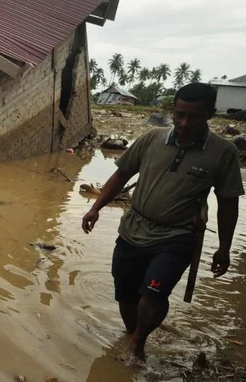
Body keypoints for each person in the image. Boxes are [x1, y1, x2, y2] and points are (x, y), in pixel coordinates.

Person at [82, 83, 243, 362]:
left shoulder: (223, 152)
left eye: (194, 117)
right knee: (125, 294)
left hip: (177, 236)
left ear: (209, 114)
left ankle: (137, 343)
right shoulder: (151, 138)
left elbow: (228, 202)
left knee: (153, 295)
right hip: (133, 229)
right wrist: (96, 207)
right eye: (180, 114)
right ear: (173, 111)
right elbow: (121, 175)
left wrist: (224, 248)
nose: (184, 123)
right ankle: (132, 333)